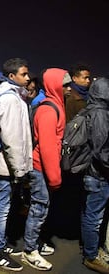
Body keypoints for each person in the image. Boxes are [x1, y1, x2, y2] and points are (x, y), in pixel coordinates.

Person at [21, 68, 71, 270]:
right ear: (55, 86)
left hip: (43, 167)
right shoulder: (49, 110)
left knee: (40, 207)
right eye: (65, 85)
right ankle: (29, 251)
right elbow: (48, 148)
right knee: (39, 208)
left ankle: (33, 243)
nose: (69, 88)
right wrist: (55, 178)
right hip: (40, 167)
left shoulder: (55, 105)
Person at [0, 58, 32, 272]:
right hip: (6, 166)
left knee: (3, 207)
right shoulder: (10, 100)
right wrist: (19, 169)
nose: (28, 77)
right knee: (1, 209)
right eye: (23, 74)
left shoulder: (11, 96)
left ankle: (0, 244)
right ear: (12, 76)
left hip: (6, 164)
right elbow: (12, 138)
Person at [79, 77, 109, 273]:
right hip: (98, 174)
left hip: (93, 172)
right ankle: (91, 256)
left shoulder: (92, 109)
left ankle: (92, 249)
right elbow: (102, 150)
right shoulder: (100, 113)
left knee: (90, 213)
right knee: (94, 217)